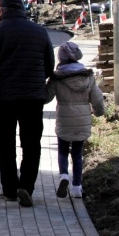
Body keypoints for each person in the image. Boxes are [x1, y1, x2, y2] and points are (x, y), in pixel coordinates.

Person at [0, 0, 55, 207]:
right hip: (33, 97)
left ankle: (10, 189)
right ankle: (26, 187)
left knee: (5, 143)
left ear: (1, 11)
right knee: (31, 143)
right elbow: (49, 66)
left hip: (4, 98)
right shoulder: (40, 31)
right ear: (22, 9)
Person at [46, 41, 105, 199]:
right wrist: (100, 112)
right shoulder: (88, 76)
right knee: (78, 153)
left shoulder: (57, 78)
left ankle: (64, 175)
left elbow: (47, 97)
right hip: (82, 118)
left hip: (64, 117)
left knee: (63, 150)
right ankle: (77, 187)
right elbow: (97, 99)